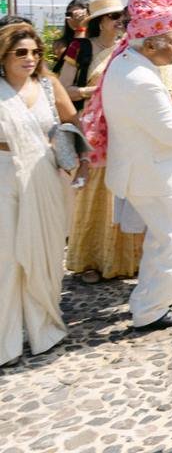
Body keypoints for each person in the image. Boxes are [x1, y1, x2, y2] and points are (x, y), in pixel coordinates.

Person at [84, 0, 172, 331]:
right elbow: (170, 131)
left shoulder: (125, 65)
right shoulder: (142, 80)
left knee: (162, 237)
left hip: (142, 171)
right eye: (171, 41)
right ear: (149, 45)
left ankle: (147, 302)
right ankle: (152, 309)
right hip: (153, 173)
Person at [0, 23, 76, 365]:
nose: (30, 59)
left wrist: (76, 154)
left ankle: (43, 328)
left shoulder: (48, 85)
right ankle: (6, 343)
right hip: (4, 176)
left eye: (35, 52)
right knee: (8, 260)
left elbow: (71, 122)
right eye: (20, 53)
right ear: (3, 56)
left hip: (43, 177)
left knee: (44, 254)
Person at [62, 0, 144, 283]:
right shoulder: (81, 48)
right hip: (92, 130)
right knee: (96, 194)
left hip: (123, 128)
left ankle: (127, 258)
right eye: (113, 17)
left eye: (122, 16)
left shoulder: (129, 49)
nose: (119, 21)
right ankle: (91, 260)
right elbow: (65, 90)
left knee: (124, 189)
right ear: (99, 21)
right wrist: (96, 91)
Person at [50, 0, 90, 74]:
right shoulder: (60, 45)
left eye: (79, 15)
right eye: (69, 14)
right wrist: (79, 29)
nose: (74, 18)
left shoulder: (99, 41)